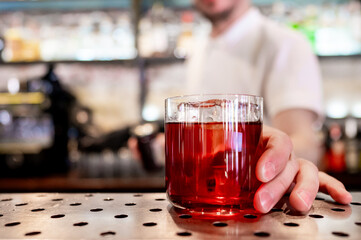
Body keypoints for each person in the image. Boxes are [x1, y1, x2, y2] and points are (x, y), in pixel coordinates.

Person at [129, 0, 352, 213]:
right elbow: (205, 137)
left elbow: (304, 141)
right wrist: (167, 151)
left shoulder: (286, 44)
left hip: (257, 206)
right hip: (199, 207)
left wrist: (272, 158)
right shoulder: (199, 48)